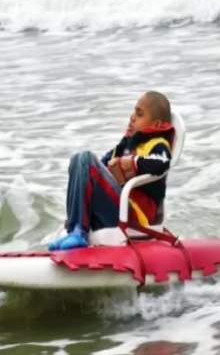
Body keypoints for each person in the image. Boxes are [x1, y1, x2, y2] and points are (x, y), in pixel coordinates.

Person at [48, 91, 174, 250]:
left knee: (86, 158)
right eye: (134, 111)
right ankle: (75, 228)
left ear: (156, 125)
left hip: (134, 217)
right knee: (78, 159)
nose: (132, 117)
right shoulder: (124, 147)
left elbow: (162, 163)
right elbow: (92, 170)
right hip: (116, 209)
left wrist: (130, 164)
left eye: (139, 114)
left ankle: (79, 233)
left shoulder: (158, 145)